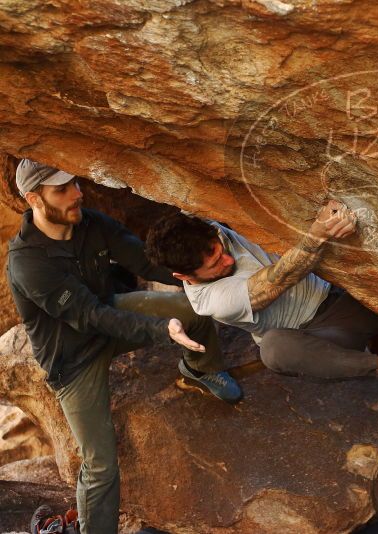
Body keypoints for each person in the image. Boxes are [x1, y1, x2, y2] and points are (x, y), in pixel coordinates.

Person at [6, 159, 242, 534]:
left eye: (75, 184)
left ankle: (200, 369)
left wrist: (200, 270)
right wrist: (160, 330)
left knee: (194, 307)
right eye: (62, 190)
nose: (77, 193)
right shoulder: (27, 263)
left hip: (110, 316)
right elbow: (89, 316)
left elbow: (145, 261)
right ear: (34, 199)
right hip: (74, 358)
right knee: (100, 464)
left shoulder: (90, 223)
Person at [144, 200, 378, 381]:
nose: (227, 257)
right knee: (273, 350)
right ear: (184, 276)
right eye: (214, 264)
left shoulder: (206, 229)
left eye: (219, 247)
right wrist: (318, 235)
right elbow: (277, 280)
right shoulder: (211, 302)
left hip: (338, 293)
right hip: (317, 334)